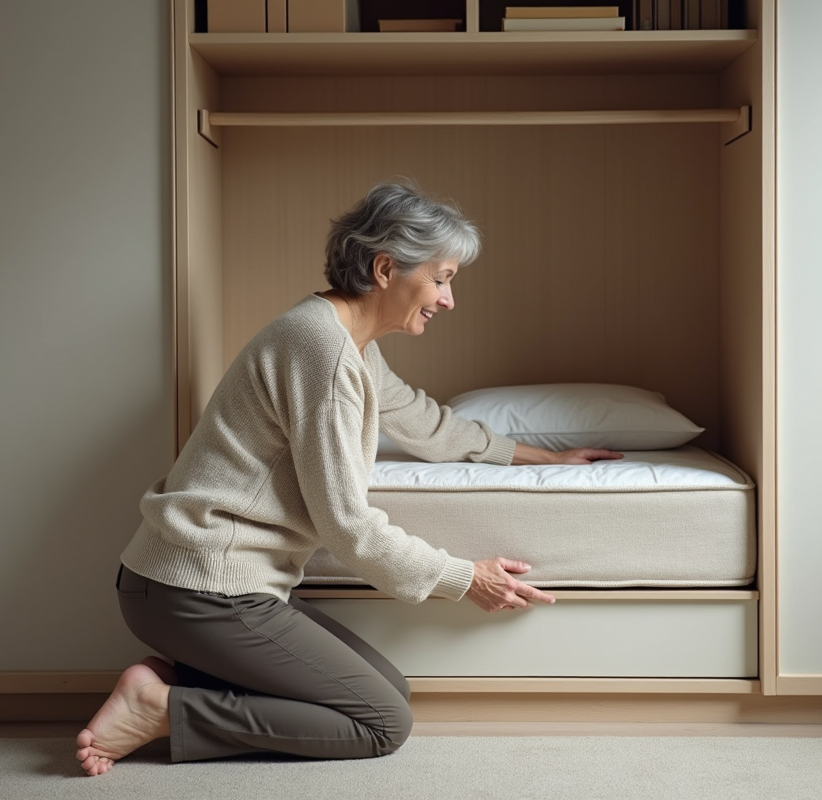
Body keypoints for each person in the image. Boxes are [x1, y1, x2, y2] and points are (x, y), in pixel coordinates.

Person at [75, 181, 622, 776]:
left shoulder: (345, 340)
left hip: (210, 586)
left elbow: (422, 421)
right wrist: (464, 578)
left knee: (389, 692)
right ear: (385, 269)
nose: (448, 299)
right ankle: (163, 710)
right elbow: (346, 524)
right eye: (441, 279)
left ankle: (171, 682)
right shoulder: (322, 351)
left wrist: (541, 457)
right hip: (198, 590)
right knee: (382, 723)